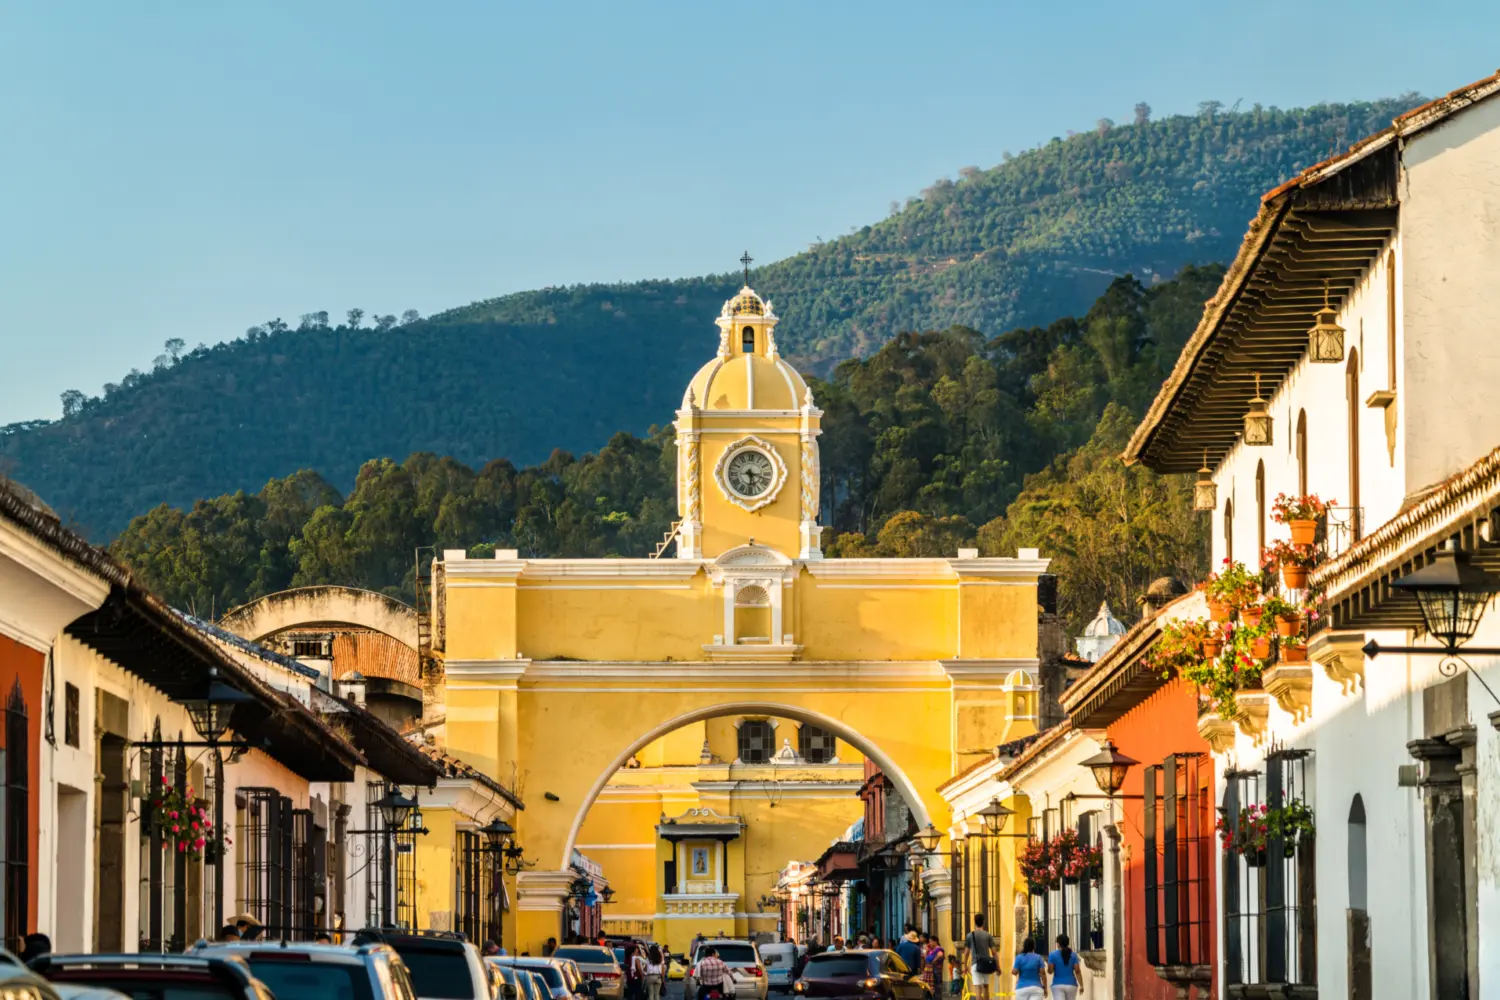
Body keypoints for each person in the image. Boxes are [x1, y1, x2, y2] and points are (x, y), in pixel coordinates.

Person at [962, 913, 996, 1000]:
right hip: (986, 964)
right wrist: (998, 966)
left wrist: (965, 966)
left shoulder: (970, 935)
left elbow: (966, 953)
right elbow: (994, 952)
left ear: (975, 922)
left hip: (976, 964)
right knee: (986, 987)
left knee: (978, 989)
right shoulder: (988, 935)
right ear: (983, 922)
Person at [1047, 934, 1082, 1000]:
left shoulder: (1052, 955)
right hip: (1071, 985)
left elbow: (1050, 971)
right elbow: (1077, 971)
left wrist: (1052, 967)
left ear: (1058, 943)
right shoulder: (1073, 955)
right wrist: (1081, 985)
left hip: (1057, 985)